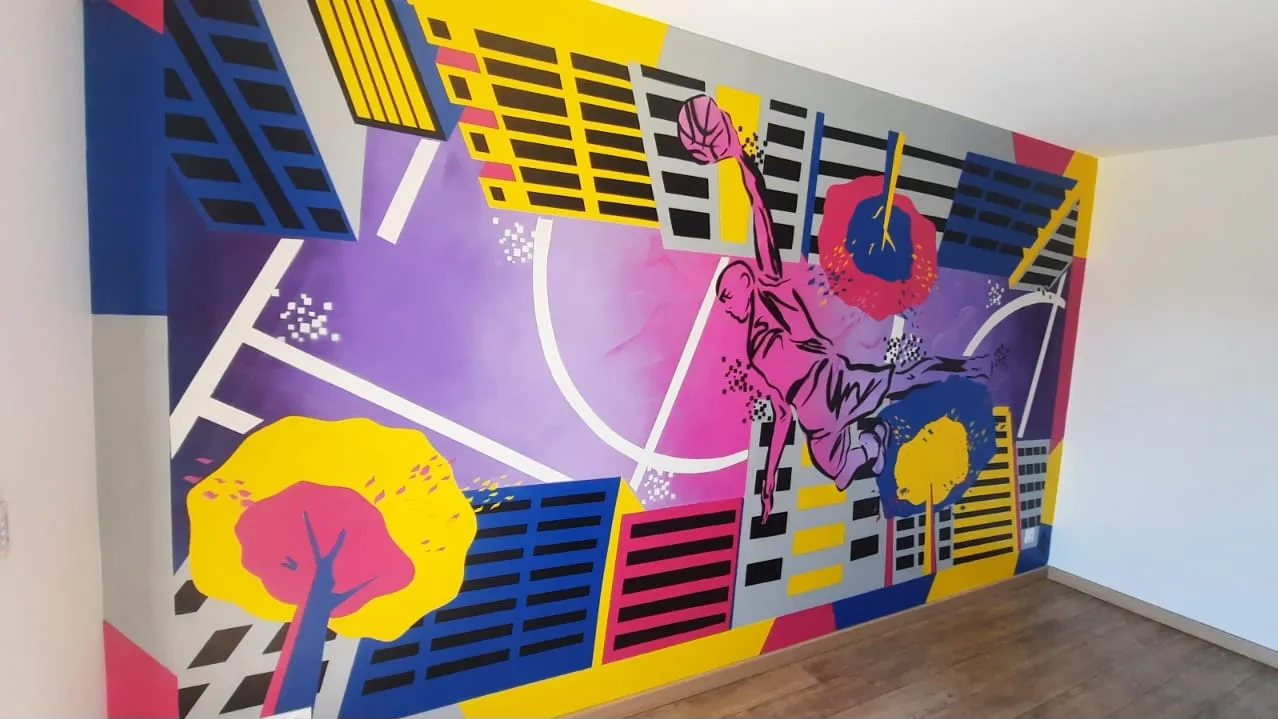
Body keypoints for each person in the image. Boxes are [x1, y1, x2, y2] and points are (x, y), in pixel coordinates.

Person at [678, 95, 991, 522]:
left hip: (835, 383)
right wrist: (768, 483)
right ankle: (875, 446)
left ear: (748, 281)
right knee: (835, 467)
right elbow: (781, 415)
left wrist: (739, 157)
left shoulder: (771, 288)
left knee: (906, 378)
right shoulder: (753, 351)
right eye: (724, 301)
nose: (727, 304)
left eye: (729, 293)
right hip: (815, 418)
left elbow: (759, 210)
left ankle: (964, 368)